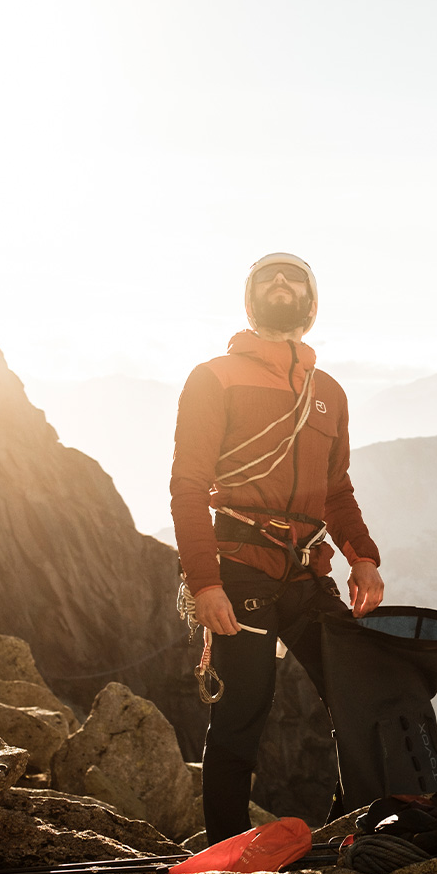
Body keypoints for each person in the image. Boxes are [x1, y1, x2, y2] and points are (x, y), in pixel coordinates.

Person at [171, 251, 384, 844]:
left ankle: (358, 832)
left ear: (311, 303)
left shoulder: (330, 393)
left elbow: (335, 487)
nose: (283, 286)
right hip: (240, 569)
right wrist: (204, 583)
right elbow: (188, 487)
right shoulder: (214, 377)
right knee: (242, 712)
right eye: (270, 279)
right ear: (251, 298)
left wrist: (362, 555)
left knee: (358, 688)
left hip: (307, 573)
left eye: (296, 280)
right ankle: (224, 850)